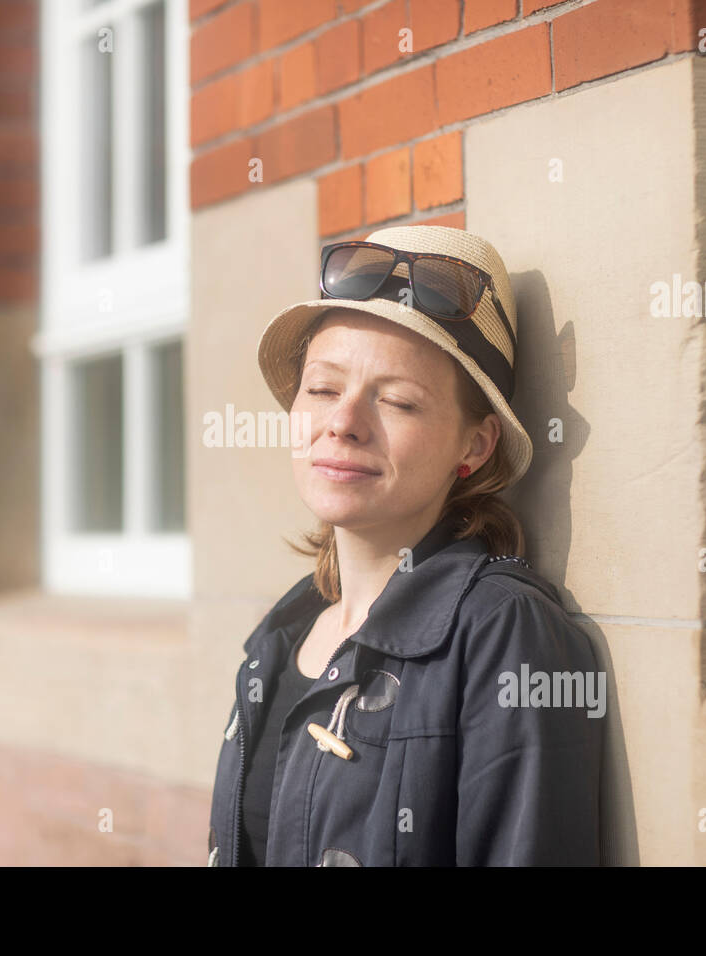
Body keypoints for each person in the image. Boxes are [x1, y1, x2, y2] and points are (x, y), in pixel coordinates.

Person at [206, 224, 606, 866]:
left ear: (474, 446)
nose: (343, 423)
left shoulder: (503, 633)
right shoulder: (281, 632)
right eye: (323, 389)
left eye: (397, 401)